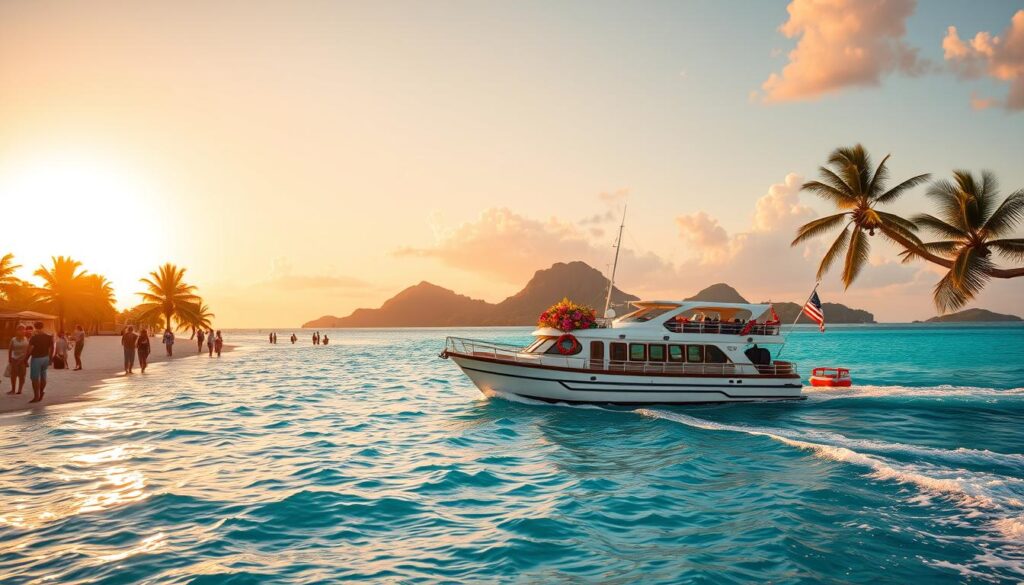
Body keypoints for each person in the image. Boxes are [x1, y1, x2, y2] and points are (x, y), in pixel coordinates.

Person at [27, 321, 54, 403]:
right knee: (43, 376)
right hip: (45, 358)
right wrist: (50, 359)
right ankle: (41, 392)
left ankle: (36, 396)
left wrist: (25, 359)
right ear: (43, 327)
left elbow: (30, 350)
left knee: (35, 378)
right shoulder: (49, 337)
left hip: (36, 358)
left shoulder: (34, 338)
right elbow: (52, 348)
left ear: (35, 327)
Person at [6, 324, 30, 395]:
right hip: (14, 359)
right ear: (17, 331)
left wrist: (25, 359)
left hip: (23, 359)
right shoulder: (13, 339)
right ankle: (13, 389)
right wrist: (9, 358)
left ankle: (20, 390)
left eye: (23, 329)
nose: (22, 331)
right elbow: (10, 350)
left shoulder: (27, 339)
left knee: (22, 375)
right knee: (13, 375)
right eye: (20, 329)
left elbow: (28, 351)